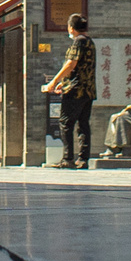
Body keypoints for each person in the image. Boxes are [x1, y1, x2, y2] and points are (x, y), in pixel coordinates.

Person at [45, 12, 97, 168]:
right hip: (88, 90)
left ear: (72, 28)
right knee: (83, 124)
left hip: (75, 91)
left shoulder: (78, 42)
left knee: (66, 123)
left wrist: (54, 81)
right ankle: (83, 159)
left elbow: (71, 64)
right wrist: (64, 82)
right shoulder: (90, 42)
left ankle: (67, 159)